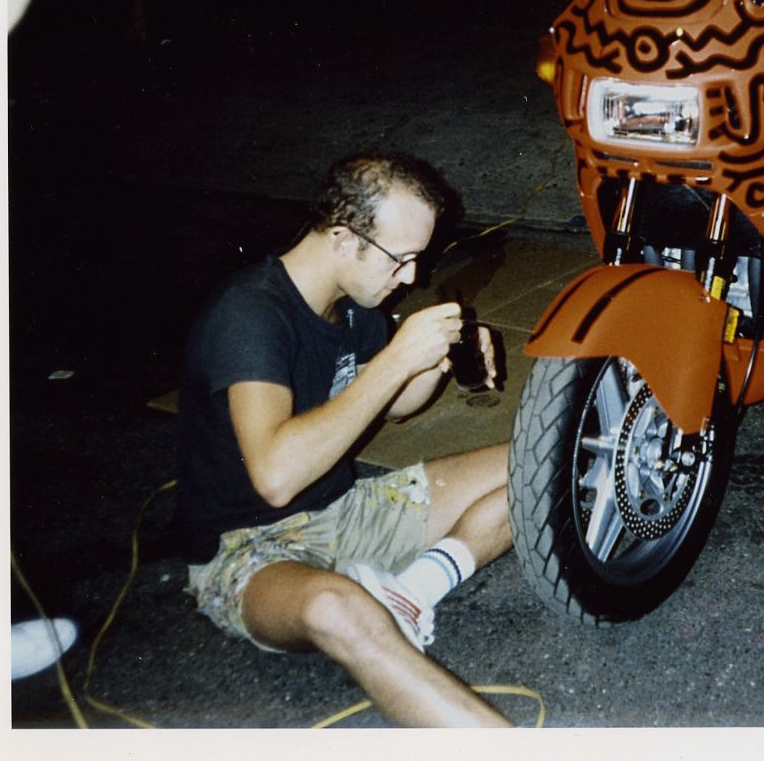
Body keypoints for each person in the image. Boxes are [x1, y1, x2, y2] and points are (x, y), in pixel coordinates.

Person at [170, 153, 513, 726]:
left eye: (418, 259)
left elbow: (392, 406)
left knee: (537, 467)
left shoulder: (356, 301)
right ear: (342, 238)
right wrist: (398, 357)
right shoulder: (251, 313)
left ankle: (412, 592)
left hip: (342, 510)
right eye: (401, 258)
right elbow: (276, 478)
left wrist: (432, 362)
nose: (412, 277)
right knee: (339, 610)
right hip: (249, 547)